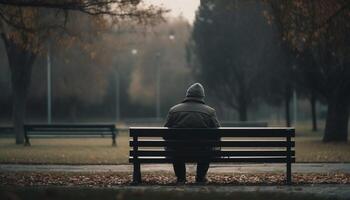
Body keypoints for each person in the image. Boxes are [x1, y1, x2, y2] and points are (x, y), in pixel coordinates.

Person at [164, 83, 220, 183]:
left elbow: (165, 134)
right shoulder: (210, 112)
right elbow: (217, 133)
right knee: (207, 148)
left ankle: (181, 178)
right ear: (202, 96)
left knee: (175, 147)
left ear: (187, 94)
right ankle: (200, 178)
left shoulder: (174, 110)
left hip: (178, 151)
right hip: (203, 151)